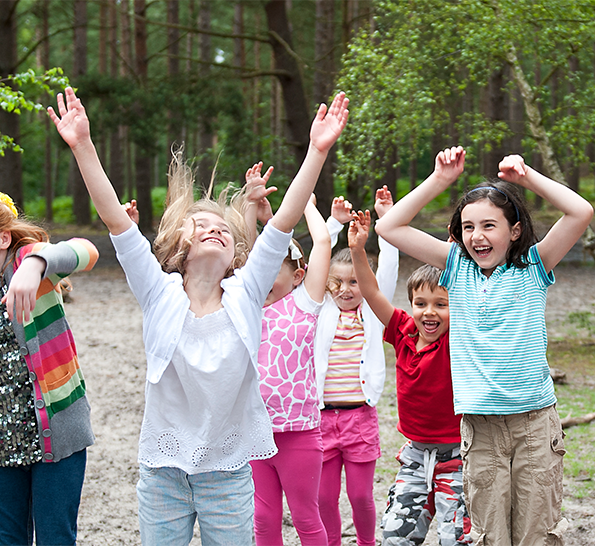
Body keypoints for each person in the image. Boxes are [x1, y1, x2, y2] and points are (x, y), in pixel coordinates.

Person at [48, 86, 349, 545]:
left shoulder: (247, 292)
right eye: (201, 225)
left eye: (223, 228)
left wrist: (317, 150)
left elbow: (284, 221)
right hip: (163, 474)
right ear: (179, 247)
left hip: (227, 474)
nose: (215, 229)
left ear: (234, 253)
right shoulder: (157, 291)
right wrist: (84, 145)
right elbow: (115, 221)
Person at [377, 147, 594, 546]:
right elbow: (389, 226)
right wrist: (440, 180)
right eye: (468, 226)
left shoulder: (534, 266)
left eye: (489, 225)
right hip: (480, 426)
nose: (477, 235)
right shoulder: (456, 268)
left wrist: (526, 178)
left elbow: (580, 212)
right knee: (487, 535)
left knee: (536, 534)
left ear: (514, 230)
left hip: (534, 423)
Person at [339, 204, 469, 546]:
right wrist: (357, 250)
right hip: (414, 455)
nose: (429, 312)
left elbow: (466, 286)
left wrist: (456, 251)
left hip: (458, 456)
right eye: (421, 303)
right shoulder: (403, 331)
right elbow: (371, 292)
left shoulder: (456, 341)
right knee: (396, 536)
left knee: (455, 539)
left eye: (441, 304)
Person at [0, 196, 98, 545]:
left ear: (3, 238)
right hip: (4, 443)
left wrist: (34, 264)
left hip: (57, 432)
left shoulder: (28, 262)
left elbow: (86, 251)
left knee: (56, 537)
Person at [314, 191, 399, 546]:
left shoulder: (373, 315)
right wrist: (333, 224)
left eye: (354, 282)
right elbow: (318, 256)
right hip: (321, 421)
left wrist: (386, 219)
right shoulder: (320, 311)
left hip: (359, 419)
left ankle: (367, 543)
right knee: (323, 498)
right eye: (338, 282)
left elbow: (388, 269)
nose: (346, 289)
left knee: (361, 496)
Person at [251, 192, 333, 546]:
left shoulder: (305, 304)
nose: (263, 278)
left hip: (298, 433)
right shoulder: (247, 305)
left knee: (305, 516)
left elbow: (323, 242)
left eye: (273, 271)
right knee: (263, 517)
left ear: (298, 275)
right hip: (256, 432)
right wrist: (264, 219)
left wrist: (307, 207)